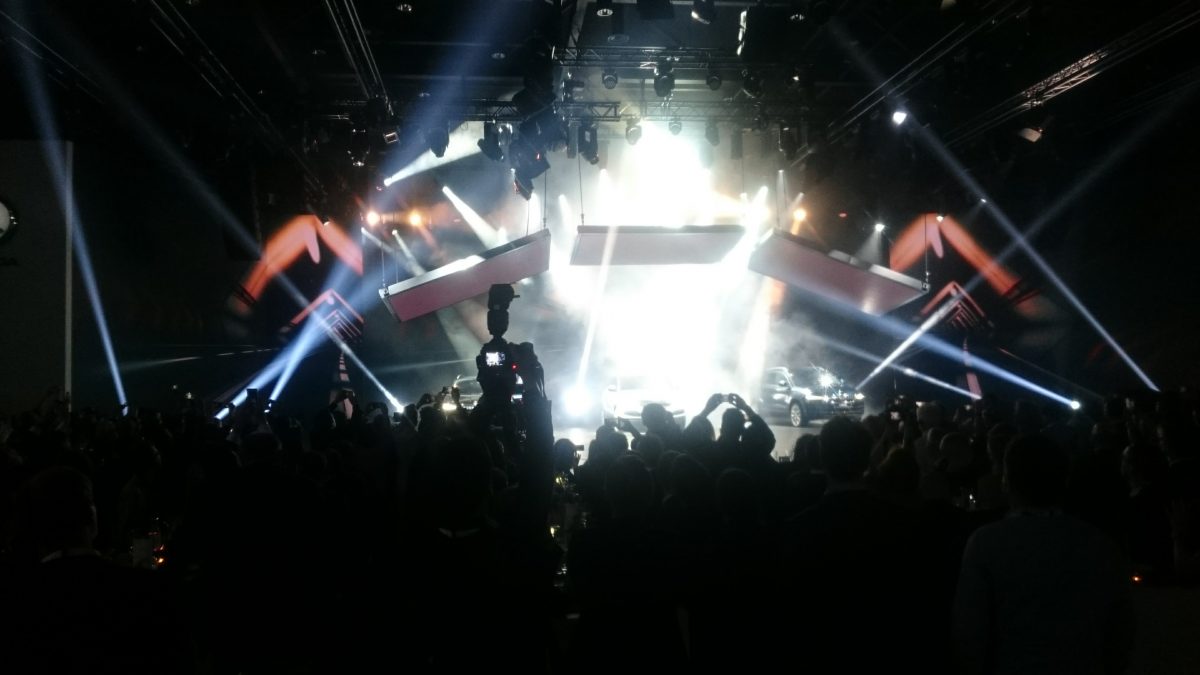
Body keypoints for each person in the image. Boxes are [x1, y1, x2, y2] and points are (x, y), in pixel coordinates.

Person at [954, 434, 1134, 675]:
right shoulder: (1099, 543)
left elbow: (969, 632)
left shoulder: (986, 543)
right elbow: (1120, 630)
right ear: (1064, 480)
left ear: (1006, 481)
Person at [779, 417, 929, 674]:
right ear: (867, 459)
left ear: (823, 459)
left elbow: (792, 611)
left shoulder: (798, 530)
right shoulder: (903, 522)